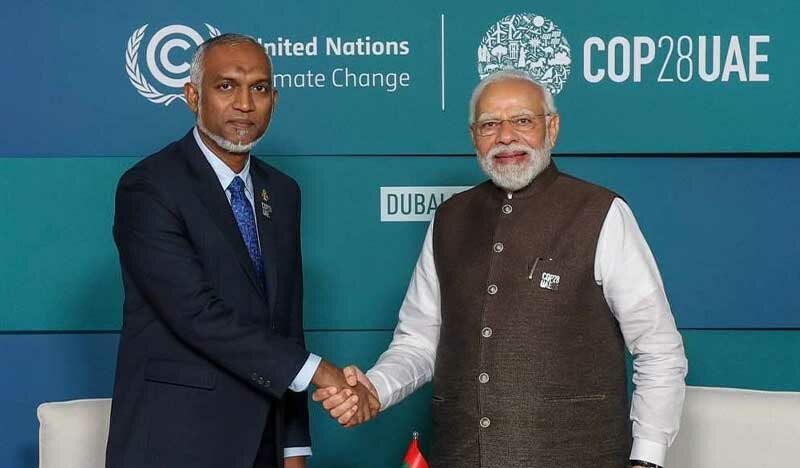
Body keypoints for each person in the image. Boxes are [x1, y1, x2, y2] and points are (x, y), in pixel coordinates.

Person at [315, 69, 688, 468]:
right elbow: (419, 342)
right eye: (489, 124)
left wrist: (647, 459)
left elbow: (658, 348)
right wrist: (375, 388)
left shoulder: (601, 213)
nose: (506, 136)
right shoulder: (449, 218)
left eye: (522, 120)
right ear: (473, 136)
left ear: (552, 128)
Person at [106, 33, 376, 468]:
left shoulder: (282, 192)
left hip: (264, 444)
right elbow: (196, 314)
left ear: (274, 100)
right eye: (226, 86)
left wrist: (293, 448)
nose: (245, 104)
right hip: (175, 443)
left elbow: (286, 325)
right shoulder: (150, 187)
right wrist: (322, 372)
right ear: (193, 95)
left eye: (259, 88)